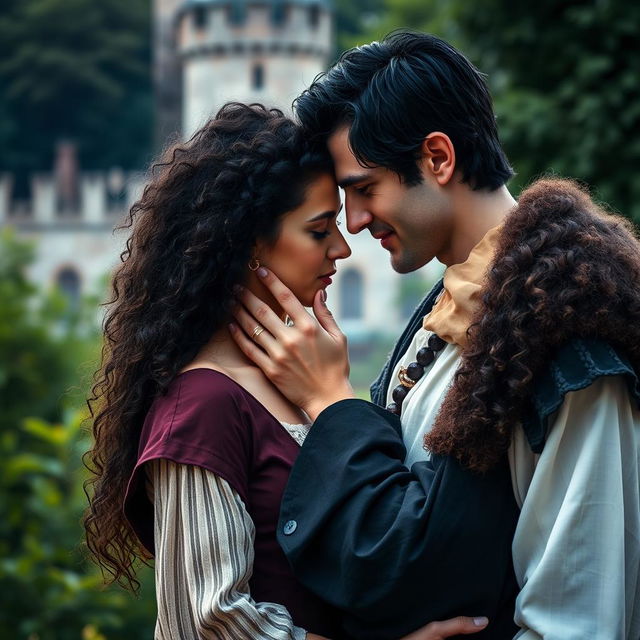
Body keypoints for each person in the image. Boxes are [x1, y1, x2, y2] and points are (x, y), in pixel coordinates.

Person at [230, 32, 640, 639]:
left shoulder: (574, 345)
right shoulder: (467, 303)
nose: (356, 222)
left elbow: (579, 621)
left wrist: (332, 403)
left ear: (439, 159)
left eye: (364, 189)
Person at [83, 102, 488, 640]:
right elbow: (208, 623)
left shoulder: (298, 380)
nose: (343, 249)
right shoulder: (201, 402)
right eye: (319, 231)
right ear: (249, 243)